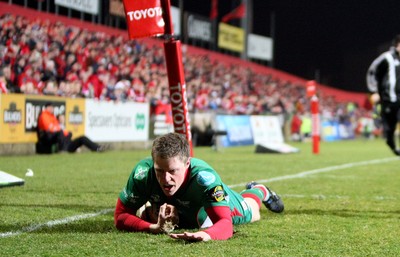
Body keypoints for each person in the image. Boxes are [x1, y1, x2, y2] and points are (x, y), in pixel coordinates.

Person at [114, 132, 284, 241]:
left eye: (173, 171)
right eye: (159, 170)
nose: (166, 178)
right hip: (180, 207)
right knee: (148, 214)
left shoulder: (205, 179)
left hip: (206, 207)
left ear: (187, 163)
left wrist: (205, 235)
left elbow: (225, 223)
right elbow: (120, 216)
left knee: (251, 212)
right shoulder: (143, 173)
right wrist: (153, 227)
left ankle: (259, 190)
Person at [367, 34, 400, 156]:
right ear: (397, 45)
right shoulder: (387, 58)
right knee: (390, 128)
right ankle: (391, 143)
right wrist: (374, 91)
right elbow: (372, 72)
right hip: (388, 99)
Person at [37, 102, 106, 153]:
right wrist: (62, 131)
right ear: (47, 108)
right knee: (61, 133)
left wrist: (66, 133)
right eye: (51, 107)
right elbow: (49, 128)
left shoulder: (52, 116)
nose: (52, 109)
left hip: (64, 142)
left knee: (82, 138)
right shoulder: (44, 115)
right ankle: (62, 151)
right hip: (48, 137)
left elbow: (57, 127)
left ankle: (97, 148)